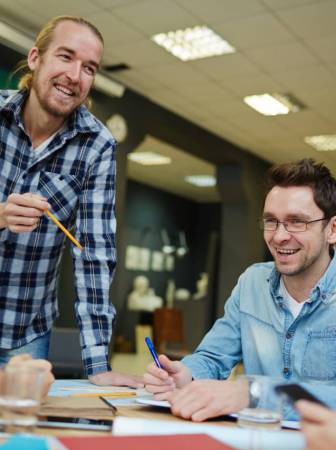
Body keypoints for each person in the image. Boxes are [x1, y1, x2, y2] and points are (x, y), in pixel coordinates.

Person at [0, 15, 141, 387]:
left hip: (24, 335)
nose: (75, 75)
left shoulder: (98, 146)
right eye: (65, 57)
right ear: (35, 58)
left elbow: (94, 255)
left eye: (89, 68)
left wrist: (98, 367)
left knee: (17, 439)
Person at [144, 158, 336, 421]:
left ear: (332, 229)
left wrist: (252, 394)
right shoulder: (252, 284)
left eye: (296, 222)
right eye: (271, 221)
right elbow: (212, 356)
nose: (279, 236)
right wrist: (185, 374)